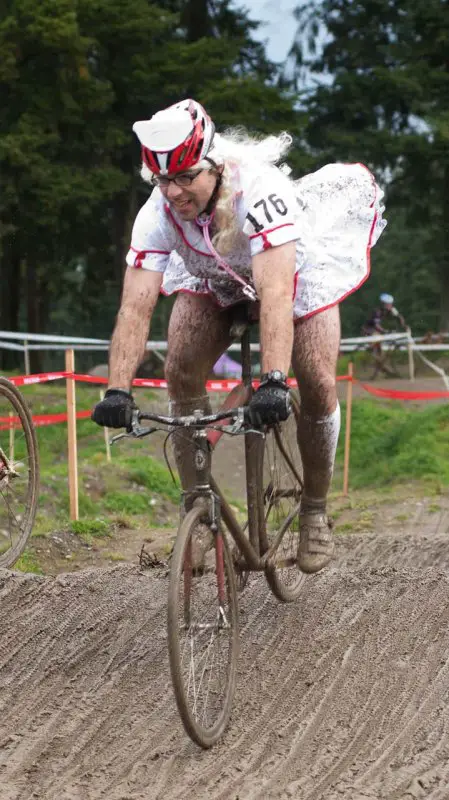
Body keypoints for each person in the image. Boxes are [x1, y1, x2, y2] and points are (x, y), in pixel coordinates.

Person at [92, 98, 386, 574]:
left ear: (215, 164)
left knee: (315, 379)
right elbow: (136, 304)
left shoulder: (260, 192)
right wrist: (117, 388)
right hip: (217, 277)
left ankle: (314, 508)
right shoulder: (158, 211)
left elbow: (275, 293)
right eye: (163, 180)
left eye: (187, 177)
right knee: (180, 367)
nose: (175, 192)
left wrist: (273, 378)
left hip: (290, 277)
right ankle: (198, 510)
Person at [362, 293, 408, 378]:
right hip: (369, 330)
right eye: (388, 304)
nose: (390, 306)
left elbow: (399, 317)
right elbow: (376, 325)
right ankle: (373, 355)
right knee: (378, 341)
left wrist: (403, 325)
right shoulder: (377, 311)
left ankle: (382, 363)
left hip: (377, 330)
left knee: (383, 346)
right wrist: (385, 331)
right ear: (383, 304)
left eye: (391, 304)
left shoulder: (391, 309)